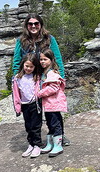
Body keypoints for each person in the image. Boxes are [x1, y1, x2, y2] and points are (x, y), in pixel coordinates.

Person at [11, 13, 70, 146]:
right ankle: (36, 140)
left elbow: (57, 58)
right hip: (30, 80)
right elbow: (16, 61)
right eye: (30, 24)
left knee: (52, 110)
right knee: (33, 112)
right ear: (26, 25)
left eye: (36, 23)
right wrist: (16, 79)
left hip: (47, 78)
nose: (33, 26)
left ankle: (59, 135)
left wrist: (61, 77)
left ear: (41, 25)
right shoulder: (21, 41)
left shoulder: (49, 39)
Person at [36, 48, 67, 157]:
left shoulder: (52, 73)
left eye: (45, 59)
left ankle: (58, 145)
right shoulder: (44, 73)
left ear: (51, 60)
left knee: (55, 123)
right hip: (49, 104)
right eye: (41, 59)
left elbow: (53, 88)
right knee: (50, 123)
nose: (42, 61)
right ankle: (50, 143)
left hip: (53, 103)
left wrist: (39, 93)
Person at [12, 53, 43, 158]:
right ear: (23, 65)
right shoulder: (17, 78)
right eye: (27, 66)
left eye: (31, 66)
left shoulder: (37, 77)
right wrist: (17, 107)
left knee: (36, 126)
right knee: (28, 126)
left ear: (35, 67)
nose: (29, 68)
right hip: (25, 105)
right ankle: (31, 144)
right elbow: (16, 93)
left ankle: (38, 145)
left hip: (35, 104)